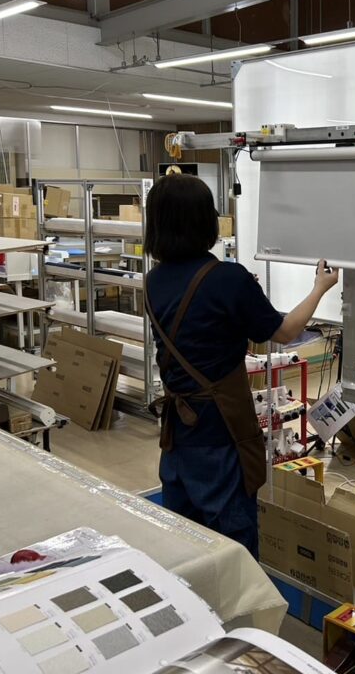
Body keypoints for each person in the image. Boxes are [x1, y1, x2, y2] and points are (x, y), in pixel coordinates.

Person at [143, 174, 339, 558]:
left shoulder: (153, 281)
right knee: (234, 548)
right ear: (206, 220)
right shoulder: (228, 279)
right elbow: (285, 332)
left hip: (177, 436)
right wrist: (320, 288)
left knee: (185, 543)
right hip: (222, 432)